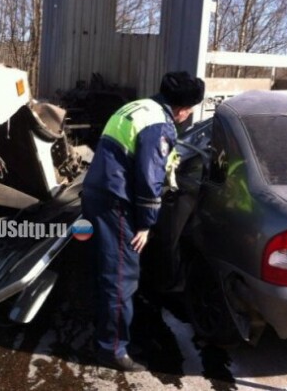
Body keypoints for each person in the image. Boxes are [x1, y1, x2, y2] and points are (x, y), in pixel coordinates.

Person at [82, 71, 205, 371]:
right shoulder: (159, 125)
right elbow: (149, 178)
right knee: (121, 278)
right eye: (189, 110)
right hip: (117, 204)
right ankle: (112, 349)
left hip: (96, 194)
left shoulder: (136, 107)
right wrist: (147, 224)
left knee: (104, 271)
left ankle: (102, 335)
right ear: (183, 109)